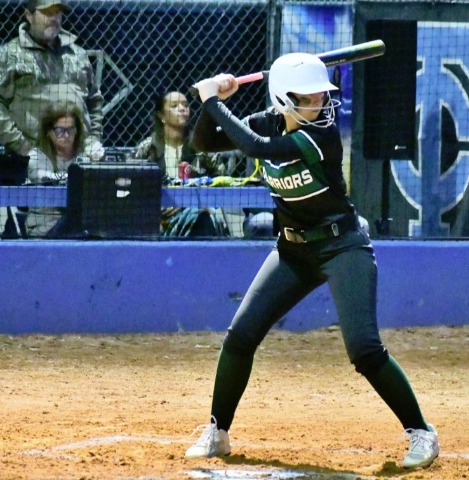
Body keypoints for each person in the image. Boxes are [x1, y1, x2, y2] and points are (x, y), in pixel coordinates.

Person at [186, 52, 439, 468]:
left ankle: (422, 432)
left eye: (321, 96)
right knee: (240, 336)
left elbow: (255, 147)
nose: (318, 105)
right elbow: (205, 142)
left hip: (343, 247)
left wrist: (212, 98)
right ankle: (218, 431)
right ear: (282, 100)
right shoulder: (267, 122)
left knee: (365, 350)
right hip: (293, 250)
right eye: (307, 99)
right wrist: (212, 102)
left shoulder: (321, 136)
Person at [0, 0, 104, 159]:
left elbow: (94, 100)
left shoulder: (78, 55)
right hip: (30, 160)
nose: (53, 18)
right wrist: (22, 147)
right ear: (29, 16)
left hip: (78, 158)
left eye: (57, 13)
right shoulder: (10, 55)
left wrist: (93, 140)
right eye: (46, 13)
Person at [134, 90, 231, 237]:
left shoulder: (202, 147)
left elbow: (223, 183)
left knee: (201, 217)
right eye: (174, 106)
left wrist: (194, 203)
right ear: (161, 115)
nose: (182, 109)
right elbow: (135, 189)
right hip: (158, 218)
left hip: (198, 211)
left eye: (185, 105)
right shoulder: (148, 149)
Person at [24, 100, 85, 237]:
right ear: (48, 132)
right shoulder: (36, 156)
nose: (66, 135)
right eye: (59, 131)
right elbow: (41, 176)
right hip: (44, 227)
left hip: (77, 227)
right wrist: (74, 178)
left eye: (70, 129)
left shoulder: (84, 156)